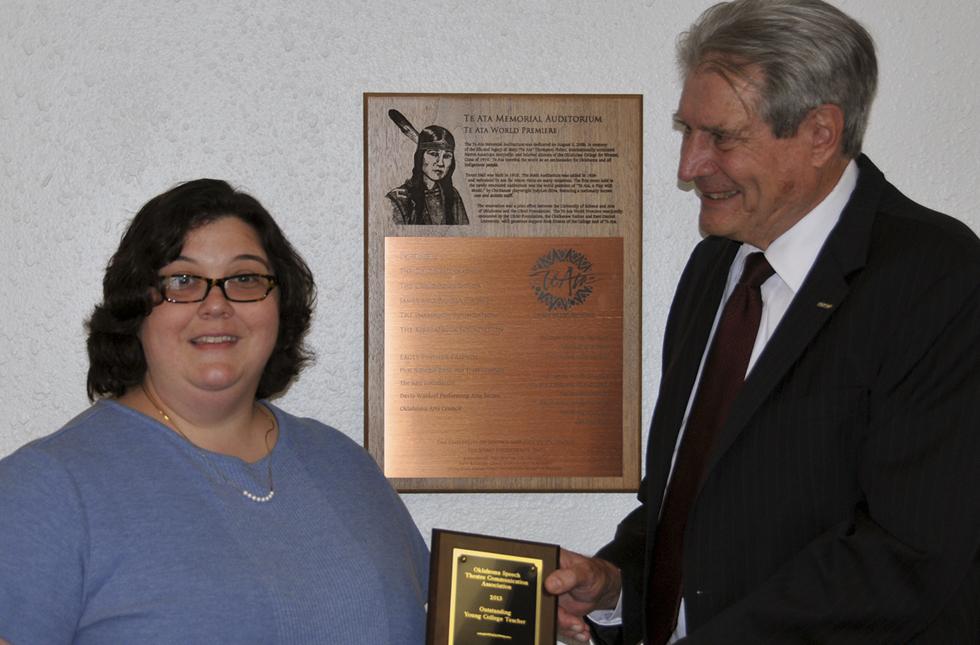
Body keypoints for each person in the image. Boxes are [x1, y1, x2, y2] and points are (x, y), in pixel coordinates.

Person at [544, 1, 980, 643]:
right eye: (686, 131)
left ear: (821, 133)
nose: (689, 166)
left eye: (720, 137)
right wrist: (616, 584)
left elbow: (910, 552)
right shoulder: (713, 270)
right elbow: (690, 503)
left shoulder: (938, 280)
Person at [0, 179, 428, 643]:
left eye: (245, 279)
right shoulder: (44, 490)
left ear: (280, 307)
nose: (217, 305)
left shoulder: (347, 466)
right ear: (135, 307)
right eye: (182, 282)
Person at [387, 125, 470, 225]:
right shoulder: (398, 199)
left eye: (447, 156)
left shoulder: (453, 196)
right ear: (420, 157)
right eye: (434, 154)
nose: (440, 163)